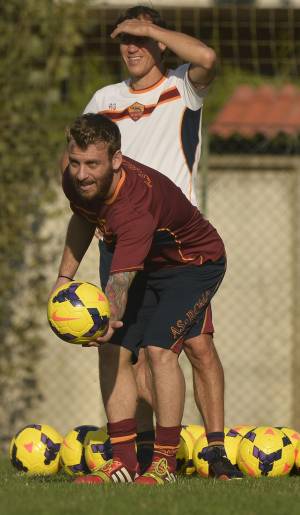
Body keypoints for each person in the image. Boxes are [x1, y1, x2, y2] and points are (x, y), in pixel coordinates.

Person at [76, 5, 242, 479]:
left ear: (159, 43)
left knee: (198, 347)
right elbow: (81, 160)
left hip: (176, 245)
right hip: (122, 242)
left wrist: (152, 29)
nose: (131, 47)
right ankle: (146, 453)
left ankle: (214, 450)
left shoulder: (182, 87)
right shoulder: (103, 98)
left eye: (141, 39)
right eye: (124, 40)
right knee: (130, 350)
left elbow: (208, 55)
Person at [52, 113, 229, 485]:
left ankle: (164, 464)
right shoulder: (75, 178)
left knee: (159, 349)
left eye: (93, 164)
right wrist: (63, 278)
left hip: (192, 263)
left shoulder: (134, 208)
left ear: (116, 161)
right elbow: (83, 218)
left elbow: (118, 285)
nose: (82, 173)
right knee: (113, 348)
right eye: (77, 162)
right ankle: (123, 462)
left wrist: (99, 322)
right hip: (146, 263)